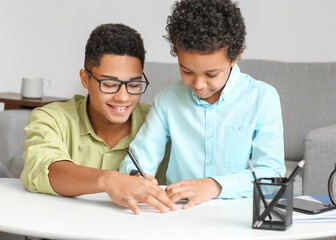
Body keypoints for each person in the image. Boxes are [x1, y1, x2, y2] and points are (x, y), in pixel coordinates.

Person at [120, 0, 286, 209]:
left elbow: (272, 174)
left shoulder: (262, 98)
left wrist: (215, 186)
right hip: (179, 213)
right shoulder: (167, 100)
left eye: (211, 74)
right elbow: (137, 159)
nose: (198, 84)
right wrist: (137, 176)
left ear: (236, 55)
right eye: (187, 71)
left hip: (239, 215)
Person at [20, 23, 177, 215]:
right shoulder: (51, 118)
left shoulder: (161, 121)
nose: (123, 97)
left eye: (134, 85)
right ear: (85, 79)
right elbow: (43, 170)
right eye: (110, 84)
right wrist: (109, 180)